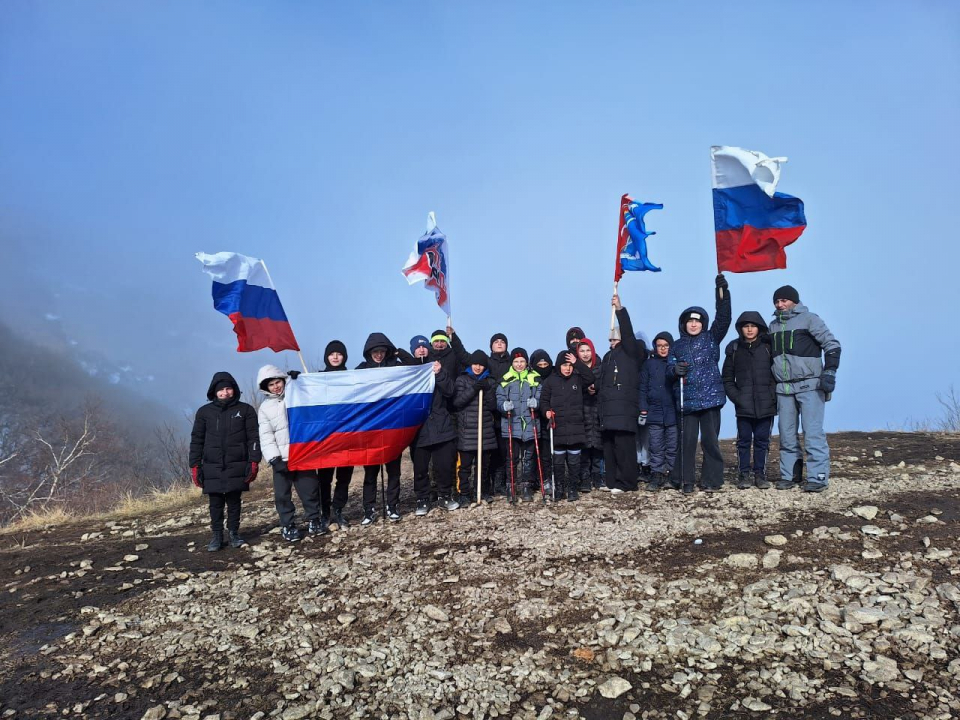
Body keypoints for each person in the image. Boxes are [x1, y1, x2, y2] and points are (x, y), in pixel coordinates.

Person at [769, 285, 841, 493]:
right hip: (783, 388)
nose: (780, 304)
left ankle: (818, 476)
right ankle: (789, 475)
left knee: (812, 432)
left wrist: (830, 372)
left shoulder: (810, 319)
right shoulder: (773, 326)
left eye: (784, 300)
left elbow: (832, 345)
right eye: (777, 301)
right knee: (787, 433)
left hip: (810, 384)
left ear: (794, 301)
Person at [668, 274, 732, 493]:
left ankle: (711, 480)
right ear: (684, 324)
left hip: (711, 400)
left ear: (702, 324)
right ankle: (684, 480)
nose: (693, 324)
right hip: (687, 402)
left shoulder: (712, 338)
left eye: (697, 321)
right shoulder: (676, 346)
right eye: (689, 321)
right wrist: (674, 370)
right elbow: (668, 367)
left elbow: (723, 318)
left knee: (710, 442)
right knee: (686, 443)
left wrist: (722, 293)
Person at [189, 372, 260, 552]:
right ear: (214, 391)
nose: (225, 393)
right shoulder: (204, 412)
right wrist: (195, 465)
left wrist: (254, 461)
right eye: (221, 390)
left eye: (228, 389)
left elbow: (254, 438)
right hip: (212, 465)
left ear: (234, 390)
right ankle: (217, 536)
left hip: (238, 463)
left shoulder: (246, 410)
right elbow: (197, 439)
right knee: (215, 503)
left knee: (234, 501)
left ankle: (234, 534)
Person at [257, 365, 324, 541]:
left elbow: (316, 396)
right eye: (271, 384)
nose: (276, 387)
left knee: (309, 489)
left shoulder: (297, 396)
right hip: (281, 458)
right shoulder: (264, 408)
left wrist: (300, 381)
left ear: (283, 380)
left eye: (278, 381)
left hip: (302, 454)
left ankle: (314, 519)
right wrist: (273, 458)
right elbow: (266, 435)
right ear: (266, 388)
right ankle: (288, 524)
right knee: (282, 495)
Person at [355, 332, 413, 525]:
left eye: (382, 351)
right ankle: (369, 510)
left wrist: (398, 352)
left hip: (392, 429)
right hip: (370, 431)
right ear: (368, 352)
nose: (378, 354)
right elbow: (343, 384)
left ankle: (392, 506)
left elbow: (414, 367)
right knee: (370, 473)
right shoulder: (361, 370)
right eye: (375, 351)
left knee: (394, 471)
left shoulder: (395, 367)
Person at [722, 313, 776, 490]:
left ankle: (760, 474)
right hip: (744, 405)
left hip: (766, 405)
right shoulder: (734, 349)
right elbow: (727, 378)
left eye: (753, 326)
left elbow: (776, 375)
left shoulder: (769, 347)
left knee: (762, 441)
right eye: (746, 326)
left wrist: (772, 396)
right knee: (743, 441)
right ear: (740, 329)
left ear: (759, 327)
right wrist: (737, 398)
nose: (750, 329)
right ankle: (743, 474)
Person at [598, 294, 644, 494]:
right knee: (610, 447)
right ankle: (612, 482)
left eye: (615, 338)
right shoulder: (608, 356)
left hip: (624, 410)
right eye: (610, 339)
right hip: (608, 410)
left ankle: (627, 483)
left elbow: (628, 333)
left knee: (624, 448)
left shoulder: (633, 351)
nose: (612, 341)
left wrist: (620, 310)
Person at [540, 350, 595, 501]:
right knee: (557, 462)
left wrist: (577, 362)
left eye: (570, 365)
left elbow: (590, 377)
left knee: (574, 461)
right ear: (558, 366)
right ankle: (560, 488)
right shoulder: (550, 381)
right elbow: (543, 401)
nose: (567, 368)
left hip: (575, 427)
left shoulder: (577, 379)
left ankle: (572, 488)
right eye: (565, 365)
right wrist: (546, 412)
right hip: (557, 427)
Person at [452, 350, 499, 504]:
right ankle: (464, 493)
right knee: (464, 467)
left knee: (483, 466)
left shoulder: (490, 381)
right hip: (467, 431)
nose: (478, 367)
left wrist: (487, 390)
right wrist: (474, 389)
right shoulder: (462, 380)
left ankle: (482, 491)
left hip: (484, 431)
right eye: (475, 364)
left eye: (481, 365)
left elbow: (493, 406)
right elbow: (458, 402)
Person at [496, 348, 542, 502]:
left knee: (529, 457)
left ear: (527, 362)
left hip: (530, 424)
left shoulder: (534, 378)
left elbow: (541, 396)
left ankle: (526, 485)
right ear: (512, 363)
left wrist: (537, 403)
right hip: (512, 424)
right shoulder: (506, 379)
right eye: (516, 361)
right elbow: (499, 398)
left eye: (522, 361)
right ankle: (511, 486)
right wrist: (503, 406)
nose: (519, 364)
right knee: (512, 458)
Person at [317, 340, 355, 529]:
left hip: (347, 435)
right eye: (332, 354)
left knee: (344, 477)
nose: (335, 357)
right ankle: (325, 513)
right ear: (327, 356)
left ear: (344, 357)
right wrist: (296, 380)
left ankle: (338, 510)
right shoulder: (317, 378)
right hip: (326, 438)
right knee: (324, 478)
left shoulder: (352, 377)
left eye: (339, 354)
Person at [640, 332, 678, 491]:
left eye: (666, 345)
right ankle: (657, 473)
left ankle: (671, 474)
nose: (663, 349)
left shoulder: (675, 364)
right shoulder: (649, 364)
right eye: (659, 346)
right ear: (655, 347)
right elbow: (642, 388)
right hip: (654, 412)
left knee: (672, 445)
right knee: (655, 446)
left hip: (673, 412)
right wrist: (643, 408)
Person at [575, 338, 605, 492]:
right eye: (582, 351)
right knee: (585, 446)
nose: (585, 354)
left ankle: (598, 475)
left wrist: (597, 387)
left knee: (599, 445)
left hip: (598, 409)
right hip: (583, 409)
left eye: (588, 350)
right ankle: (585, 477)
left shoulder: (601, 367)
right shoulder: (574, 369)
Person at [488, 333, 512, 497]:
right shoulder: (486, 362)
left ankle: (501, 482)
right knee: (490, 450)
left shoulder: (512, 363)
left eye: (502, 341)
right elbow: (464, 357)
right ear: (491, 346)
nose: (499, 343)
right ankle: (488, 483)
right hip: (489, 412)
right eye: (496, 341)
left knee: (505, 450)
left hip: (508, 412)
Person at [530, 349, 554, 493]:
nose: (543, 366)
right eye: (540, 364)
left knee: (546, 452)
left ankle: (547, 478)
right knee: (532, 452)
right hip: (532, 419)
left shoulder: (554, 376)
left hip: (548, 418)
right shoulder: (531, 377)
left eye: (546, 364)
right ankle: (534, 479)